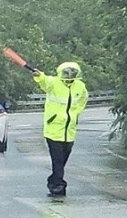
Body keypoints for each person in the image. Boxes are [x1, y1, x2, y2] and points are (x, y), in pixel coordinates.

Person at [32, 61, 89, 198]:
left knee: (64, 158)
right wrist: (39, 76)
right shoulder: (54, 83)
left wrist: (75, 114)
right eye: (67, 72)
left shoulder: (80, 86)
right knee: (57, 159)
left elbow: (83, 100)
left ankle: (53, 180)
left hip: (69, 131)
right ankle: (59, 185)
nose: (69, 75)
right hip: (53, 130)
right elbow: (44, 80)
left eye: (72, 72)